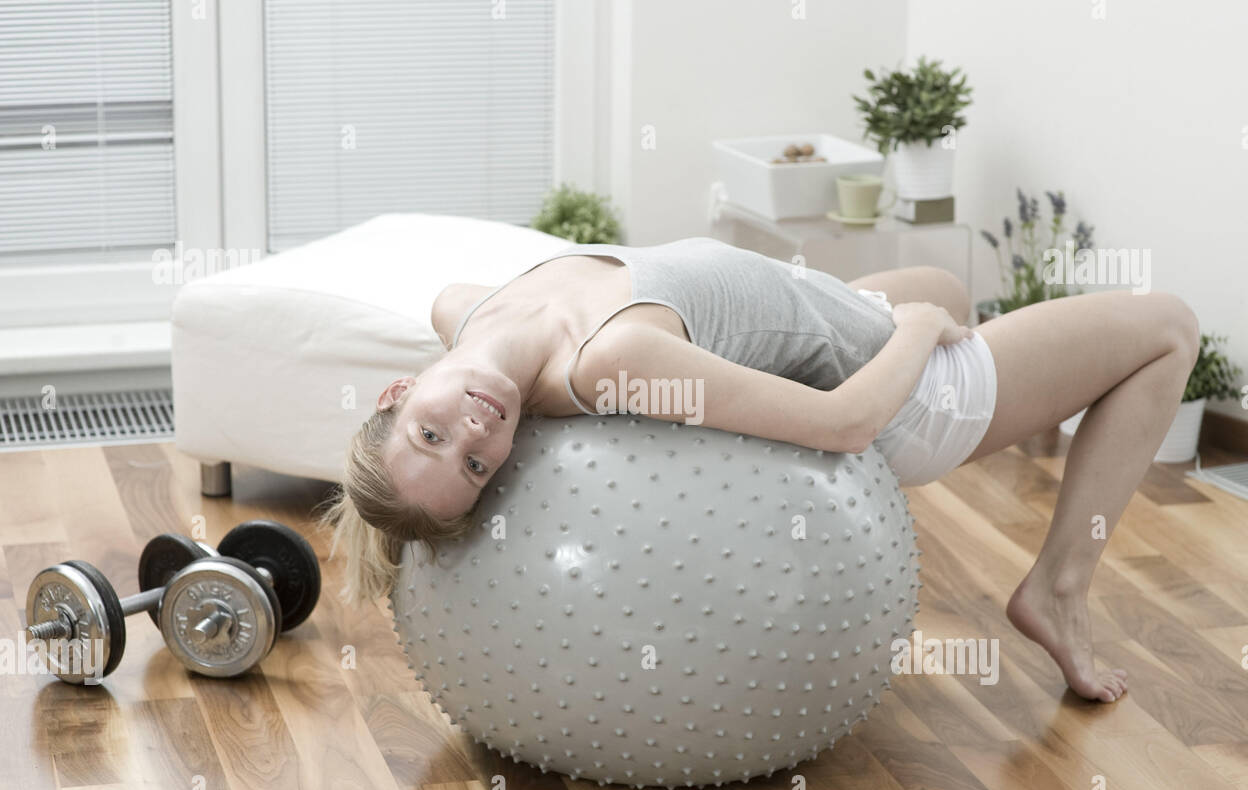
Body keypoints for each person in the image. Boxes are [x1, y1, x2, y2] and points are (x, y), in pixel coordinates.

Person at [320, 236, 1199, 703]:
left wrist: (918, 306)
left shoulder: (460, 309)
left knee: (946, 278)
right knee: (1167, 327)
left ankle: (936, 321)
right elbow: (844, 423)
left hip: (841, 312)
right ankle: (1060, 587)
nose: (476, 431)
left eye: (434, 434)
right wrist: (920, 332)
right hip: (908, 393)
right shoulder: (609, 358)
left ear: (404, 385)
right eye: (478, 466)